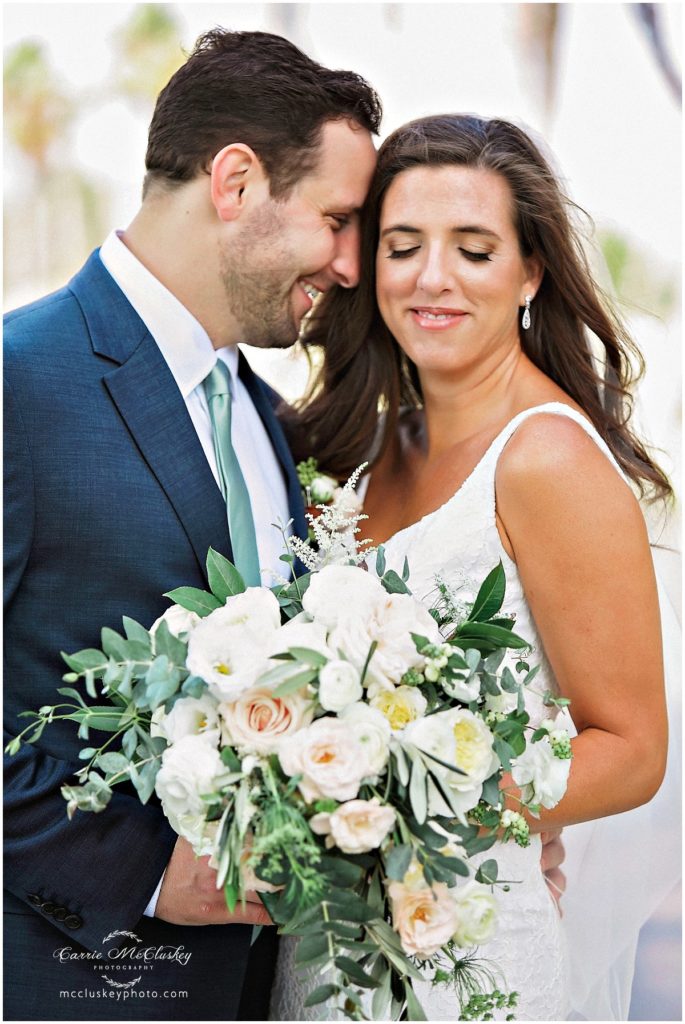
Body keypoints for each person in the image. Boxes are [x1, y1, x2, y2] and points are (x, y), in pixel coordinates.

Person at [3, 28, 380, 1022]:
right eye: (336, 219)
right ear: (236, 181)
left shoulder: (260, 412)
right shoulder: (20, 380)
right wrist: (152, 876)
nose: (349, 266)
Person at [278, 113, 675, 1020]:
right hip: (330, 943)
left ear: (530, 271)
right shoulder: (371, 448)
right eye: (403, 245)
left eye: (473, 249)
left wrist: (413, 812)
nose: (432, 279)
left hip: (468, 951)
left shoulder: (546, 461)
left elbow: (631, 750)